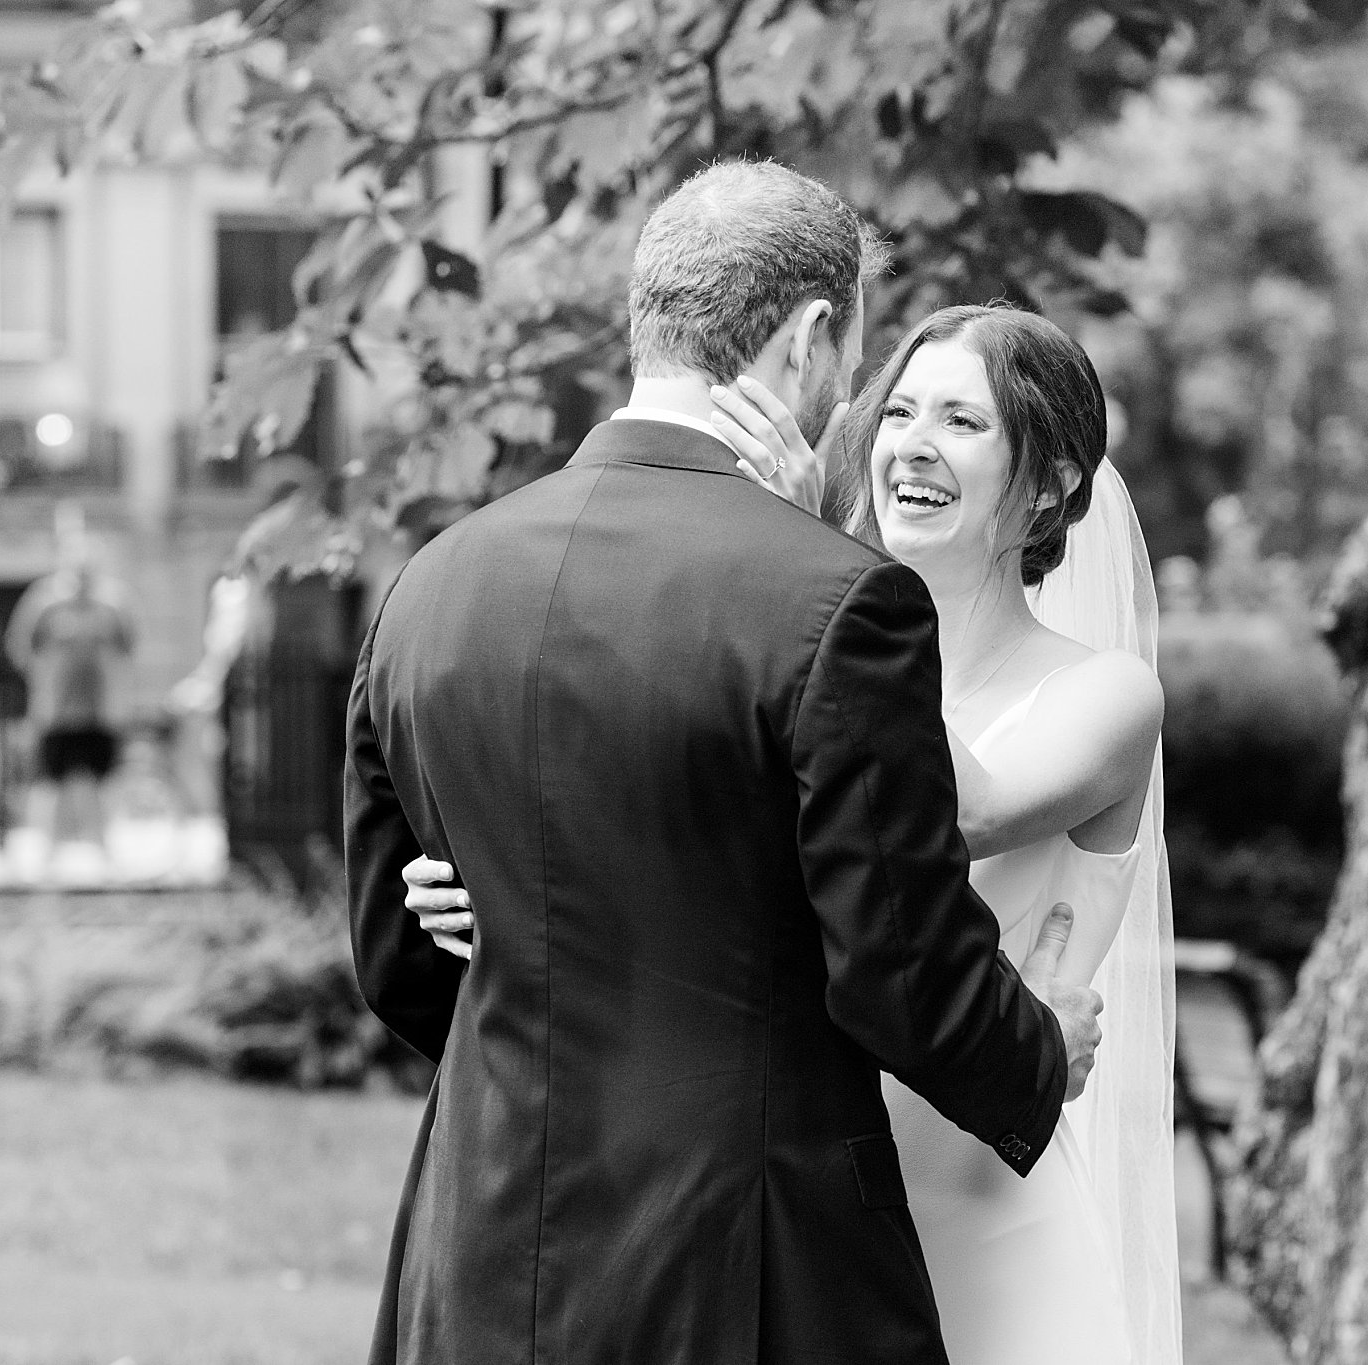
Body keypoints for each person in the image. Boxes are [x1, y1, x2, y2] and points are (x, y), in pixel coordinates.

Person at [346, 161, 1105, 1365]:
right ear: (811, 335)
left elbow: (398, 958)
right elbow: (898, 965)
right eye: (856, 356)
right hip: (741, 1262)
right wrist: (1040, 1051)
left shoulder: (432, 584)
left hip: (479, 1243)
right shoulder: (832, 601)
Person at [4, 503, 135, 875]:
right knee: (51, 781)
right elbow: (19, 646)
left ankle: (106, 852)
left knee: (104, 781)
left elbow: (128, 648)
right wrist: (43, 679)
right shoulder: (44, 602)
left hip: (101, 710)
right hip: (55, 711)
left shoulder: (112, 604)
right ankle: (47, 855)